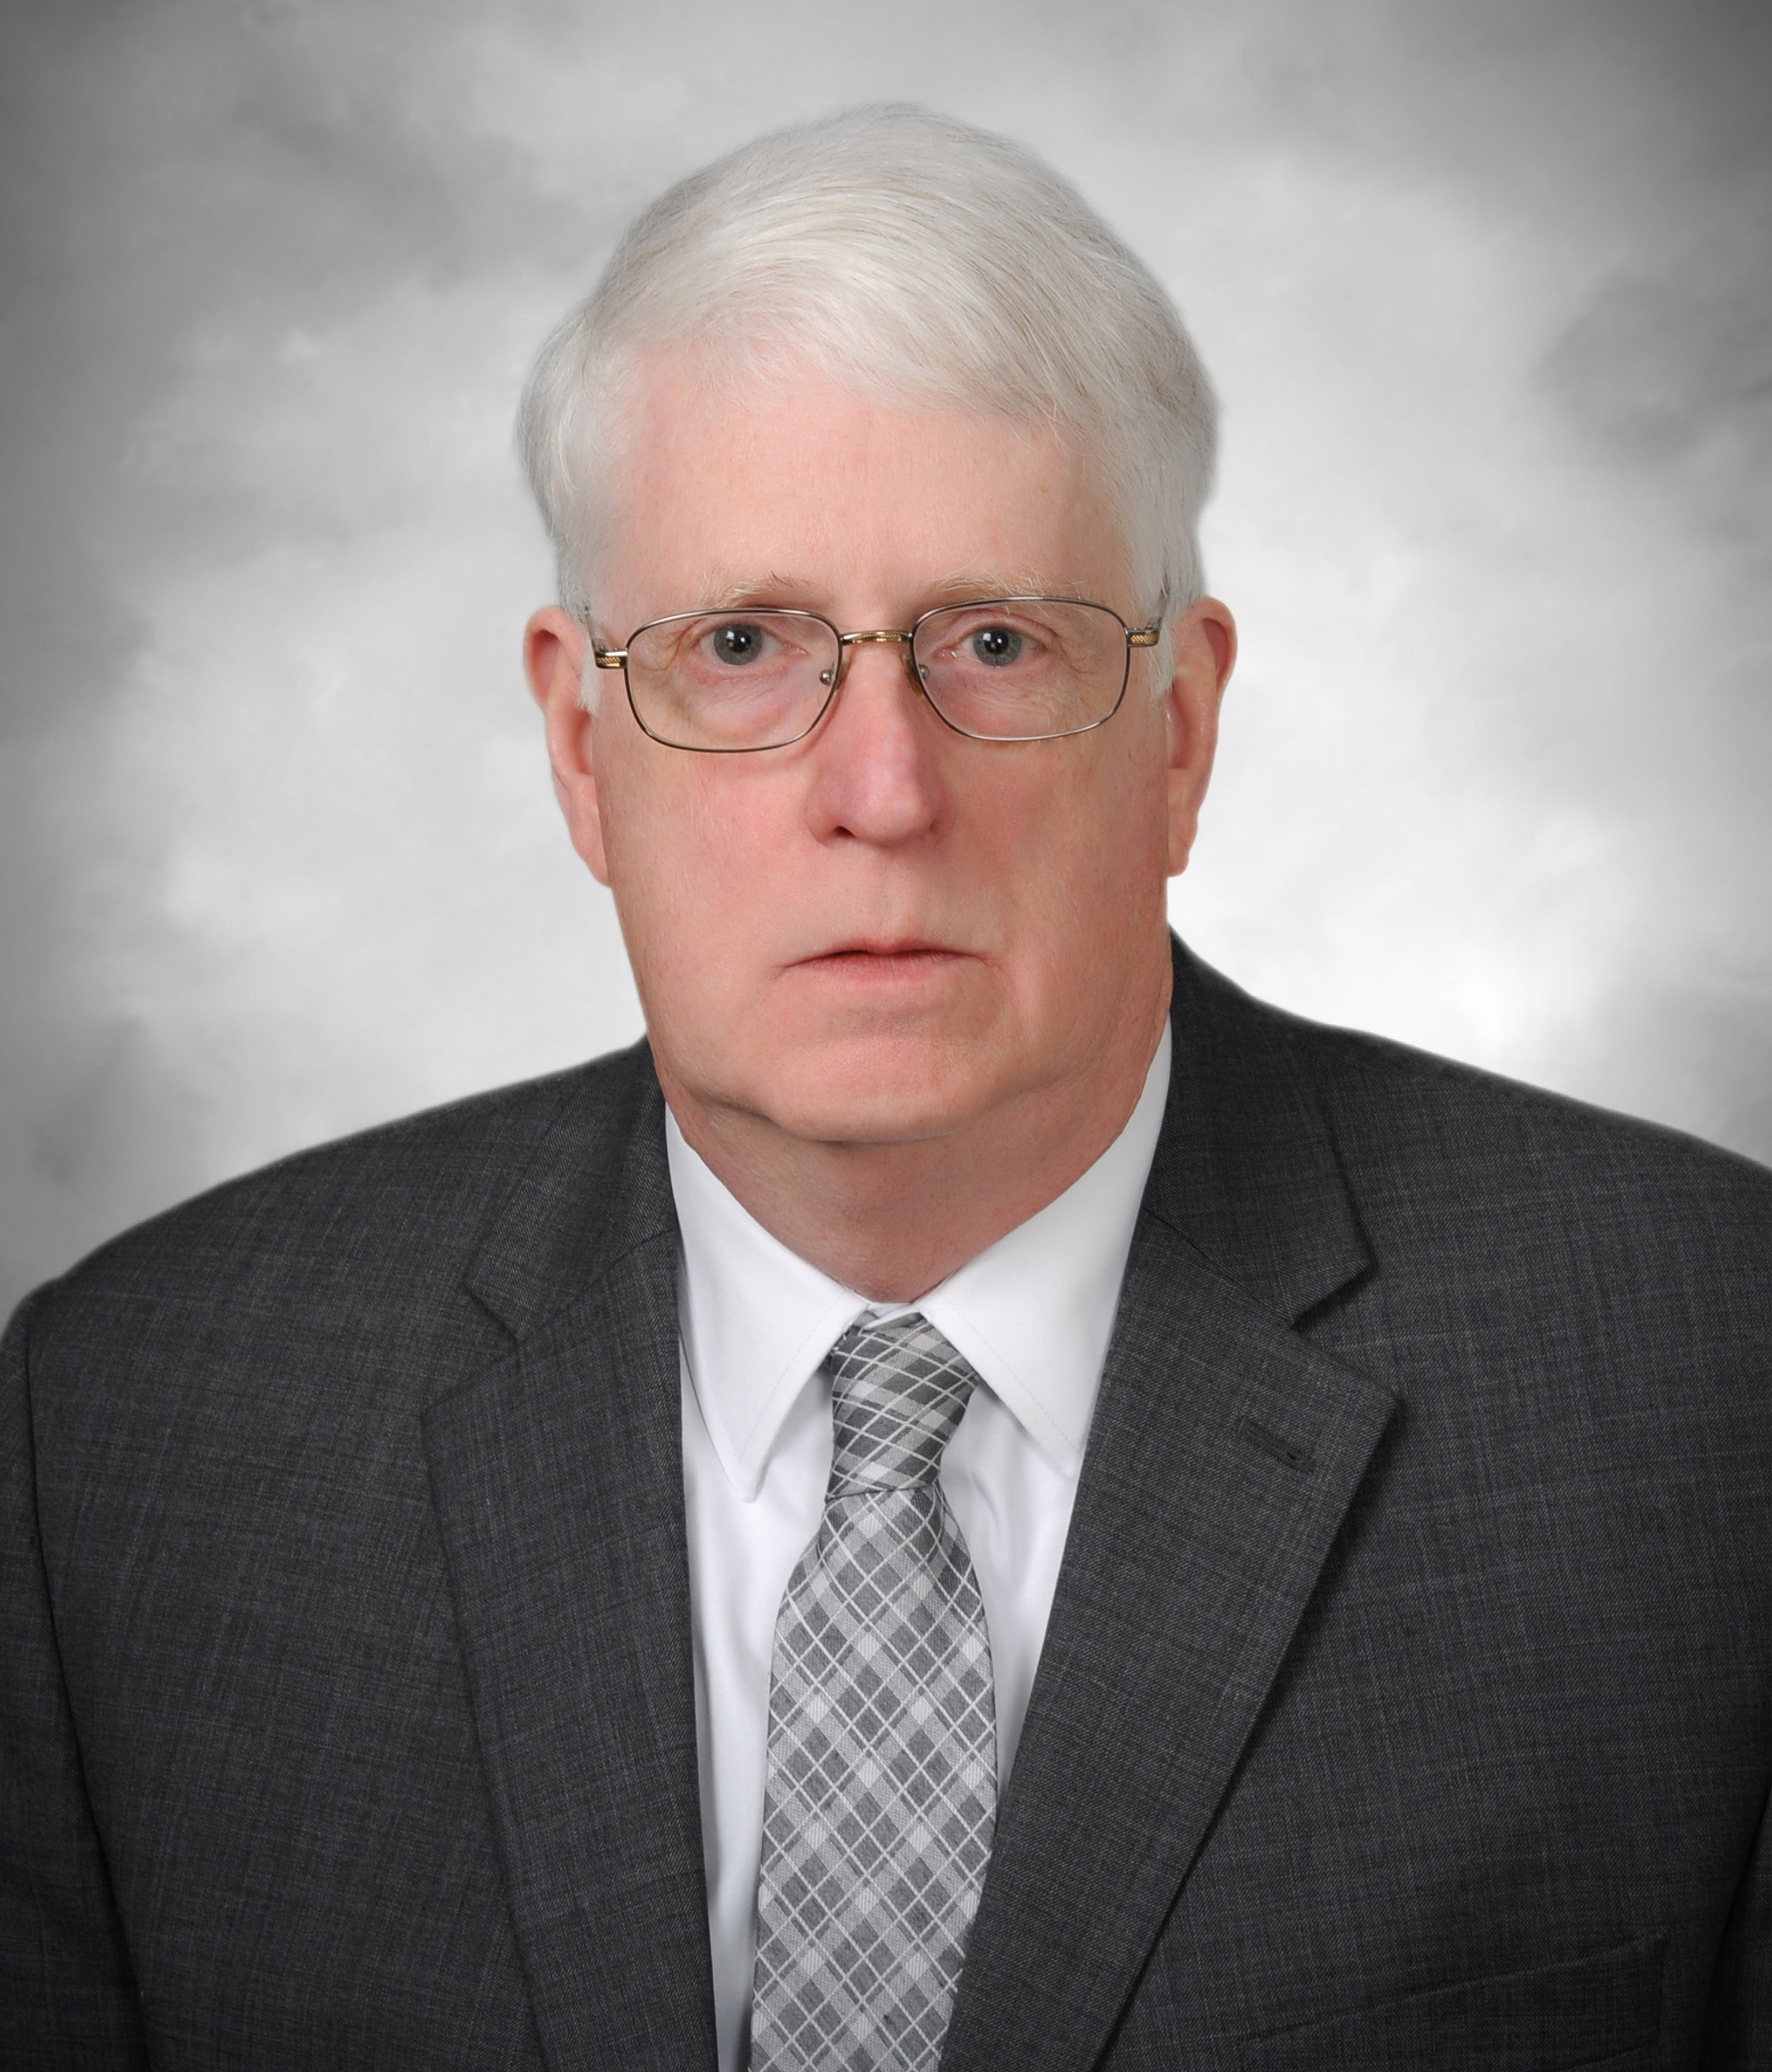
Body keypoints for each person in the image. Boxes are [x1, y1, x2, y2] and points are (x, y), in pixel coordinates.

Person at [2, 105, 1767, 2072]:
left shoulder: (1712, 1383)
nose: (881, 790)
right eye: (741, 645)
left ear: (1178, 736)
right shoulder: (128, 1440)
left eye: (996, 642)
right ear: (582, 749)